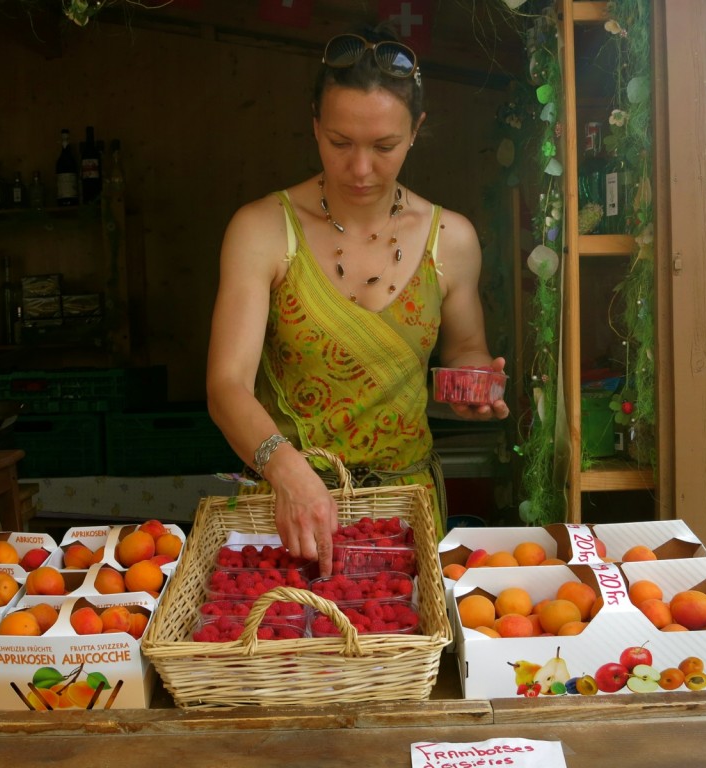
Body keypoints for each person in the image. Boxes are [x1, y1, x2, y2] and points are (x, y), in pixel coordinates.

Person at [206, 26, 508, 577]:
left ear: (416, 131)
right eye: (340, 143)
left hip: (405, 513)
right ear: (315, 125)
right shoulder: (264, 230)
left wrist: (474, 386)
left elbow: (467, 350)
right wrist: (286, 469)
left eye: (384, 146)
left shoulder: (452, 239)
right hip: (288, 510)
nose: (361, 168)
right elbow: (226, 385)